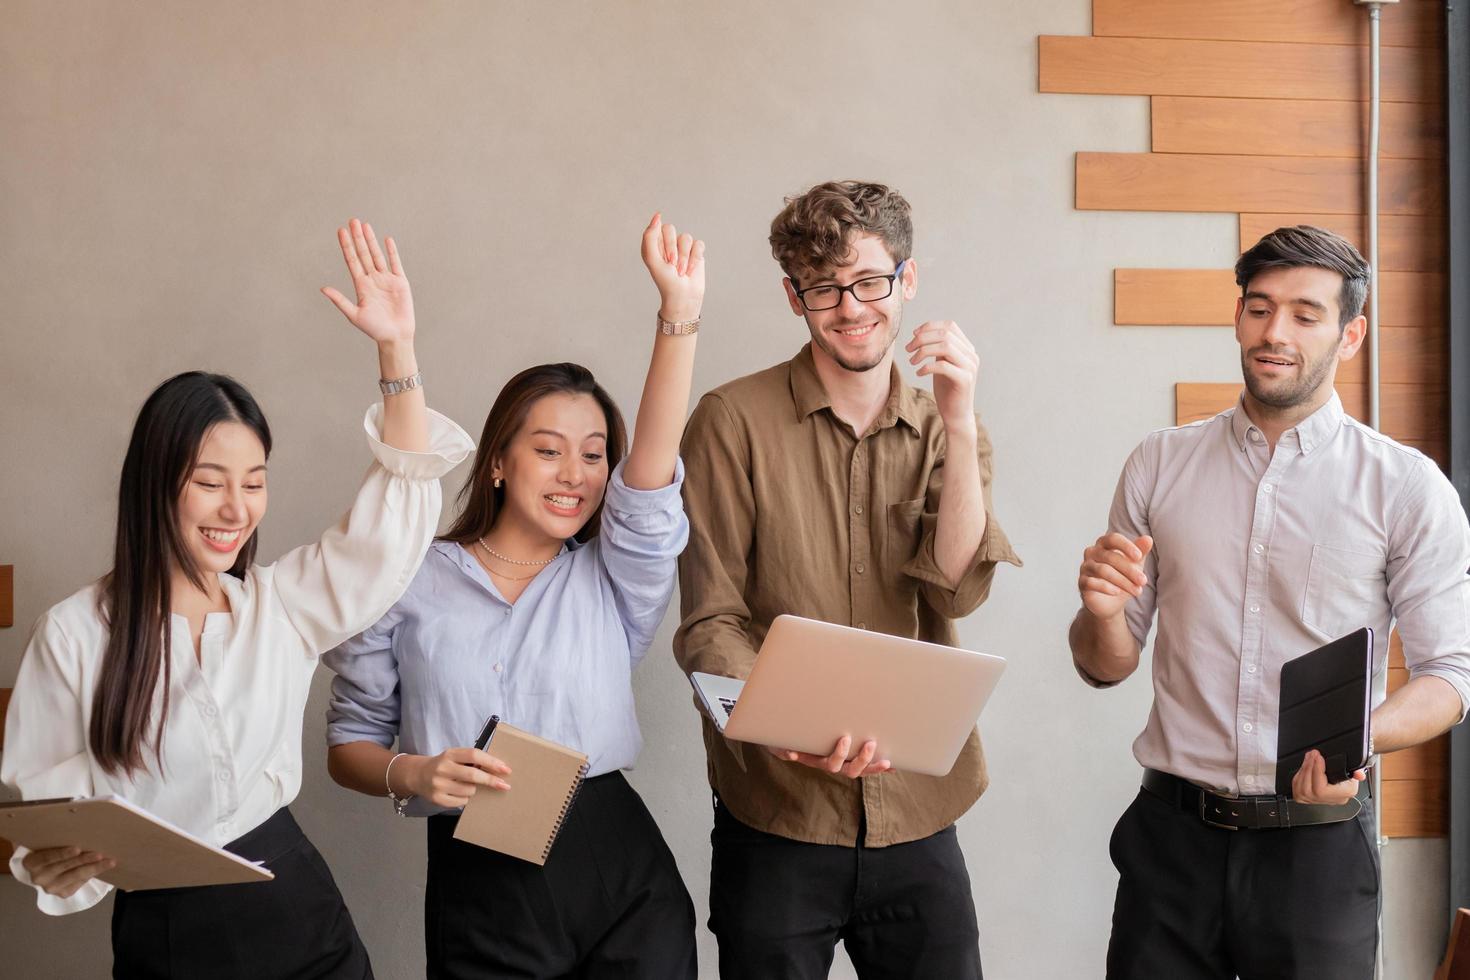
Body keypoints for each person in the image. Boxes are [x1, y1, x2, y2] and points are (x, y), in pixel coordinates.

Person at [1, 219, 473, 977]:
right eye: (210, 482)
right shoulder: (75, 634)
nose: (236, 509)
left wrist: (397, 351)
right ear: (156, 483)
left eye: (253, 484)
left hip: (299, 913)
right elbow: (50, 816)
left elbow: (394, 520)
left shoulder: (278, 606)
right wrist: (57, 863)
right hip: (168, 934)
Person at [1068, 225, 1470, 979]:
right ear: (1237, 317)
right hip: (1171, 845)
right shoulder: (1160, 462)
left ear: (1350, 336)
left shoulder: (1406, 488)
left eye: (1304, 314)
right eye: (1258, 308)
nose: (1274, 332)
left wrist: (1357, 741)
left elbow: (1450, 678)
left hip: (1318, 849)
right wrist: (1098, 612)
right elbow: (1104, 666)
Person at [323, 213, 703, 979]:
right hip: (480, 876)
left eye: (594, 455)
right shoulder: (410, 576)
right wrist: (416, 775)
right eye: (548, 450)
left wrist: (679, 318)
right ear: (498, 461)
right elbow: (349, 745)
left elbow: (652, 474)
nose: (575, 474)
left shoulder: (614, 576)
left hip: (620, 868)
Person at [673, 179, 1020, 979]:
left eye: (870, 281)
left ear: (908, 278)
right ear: (794, 296)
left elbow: (957, 590)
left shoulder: (947, 428)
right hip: (776, 813)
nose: (852, 307)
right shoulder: (730, 421)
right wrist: (788, 730)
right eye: (825, 289)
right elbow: (711, 621)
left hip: (919, 812)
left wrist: (961, 419)